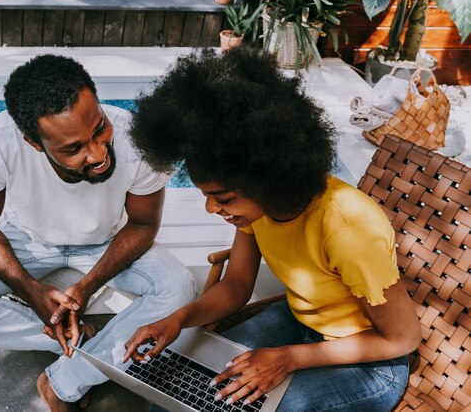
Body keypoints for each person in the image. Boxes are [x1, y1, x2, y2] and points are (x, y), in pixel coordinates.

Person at [123, 47, 422, 411]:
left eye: (223, 198)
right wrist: (177, 320)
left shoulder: (348, 226)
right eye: (207, 195)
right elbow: (235, 286)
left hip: (371, 363)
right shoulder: (258, 209)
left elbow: (403, 339)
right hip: (300, 323)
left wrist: (287, 358)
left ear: (266, 178)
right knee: (175, 390)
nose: (210, 208)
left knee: (233, 407)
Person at [0, 54, 196, 412]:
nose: (99, 153)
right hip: (28, 241)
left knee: (180, 287)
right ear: (35, 143)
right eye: (74, 148)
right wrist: (32, 291)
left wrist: (87, 286)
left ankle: (64, 380)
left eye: (99, 128)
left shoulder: (135, 138)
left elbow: (143, 224)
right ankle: (81, 341)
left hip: (110, 241)